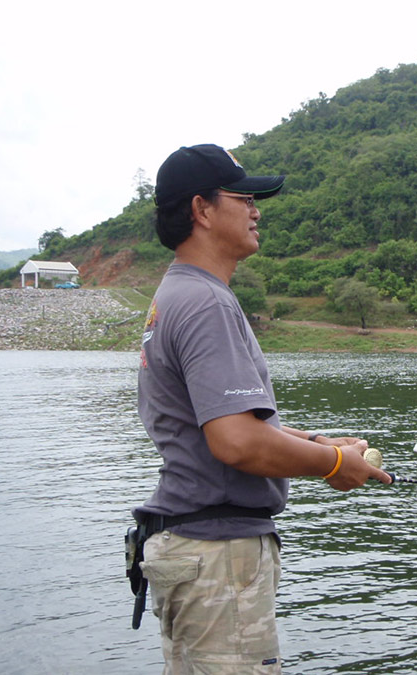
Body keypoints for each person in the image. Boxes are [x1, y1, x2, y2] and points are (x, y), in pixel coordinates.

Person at [132, 143, 391, 673]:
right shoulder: (207, 303)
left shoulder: (176, 295)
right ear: (202, 210)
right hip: (217, 557)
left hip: (190, 548)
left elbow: (229, 421)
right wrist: (338, 466)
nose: (256, 209)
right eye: (244, 197)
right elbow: (236, 442)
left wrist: (316, 444)